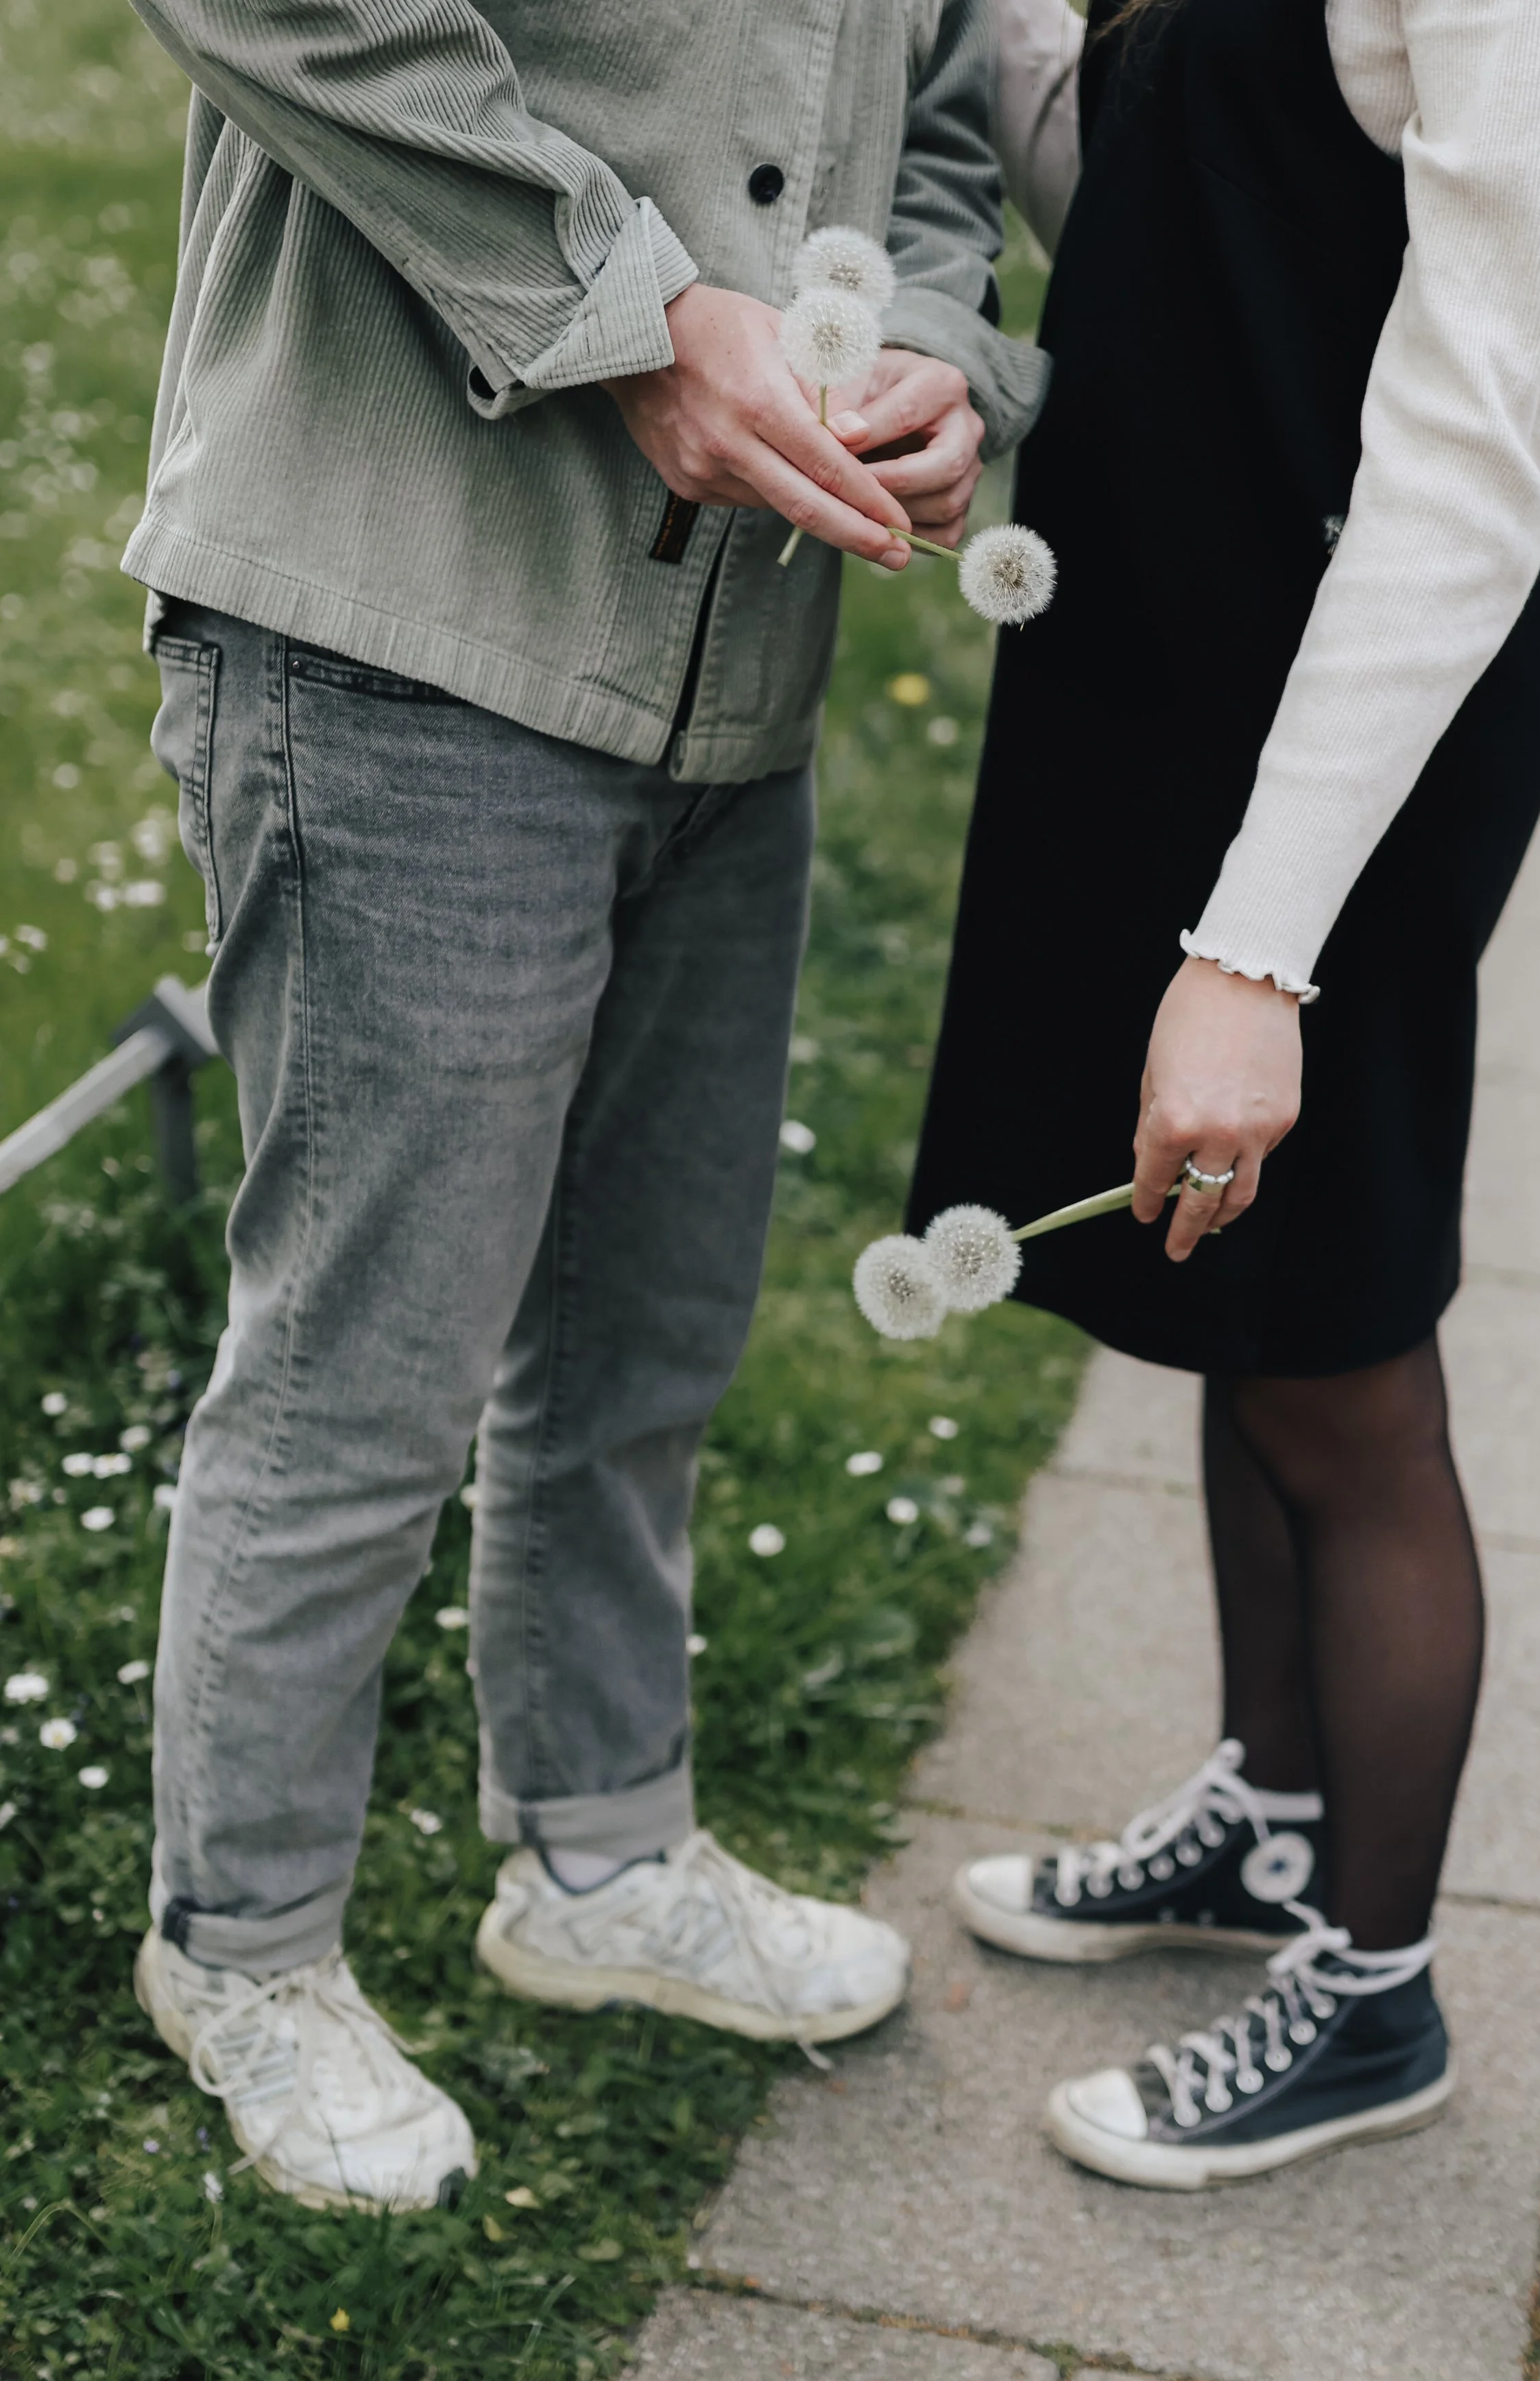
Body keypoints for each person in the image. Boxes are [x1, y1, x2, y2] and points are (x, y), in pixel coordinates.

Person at [119, 0, 1048, 2213]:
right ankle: (241, 1947)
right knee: (366, 1362)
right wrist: (623, 312)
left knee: (642, 1333)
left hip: (731, 678)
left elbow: (922, 125)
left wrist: (934, 347)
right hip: (401, 624)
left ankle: (599, 1858)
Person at [915, 0, 1540, 2186]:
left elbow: (1474, 451)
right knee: (1225, 1272)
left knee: (1337, 1349)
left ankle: (1371, 1991)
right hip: (1181, 640)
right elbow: (1179, 210)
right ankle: (1268, 1810)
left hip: (1355, 703)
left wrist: (1252, 951)